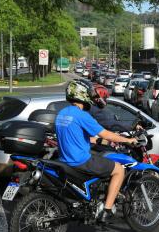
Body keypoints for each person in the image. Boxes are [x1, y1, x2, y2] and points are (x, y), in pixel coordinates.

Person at [55, 79, 137, 221]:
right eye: (88, 92)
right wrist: (127, 140)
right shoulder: (81, 115)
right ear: (81, 94)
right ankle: (107, 210)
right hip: (81, 161)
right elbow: (105, 133)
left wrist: (100, 141)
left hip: (64, 160)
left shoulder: (62, 113)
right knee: (118, 170)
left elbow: (79, 136)